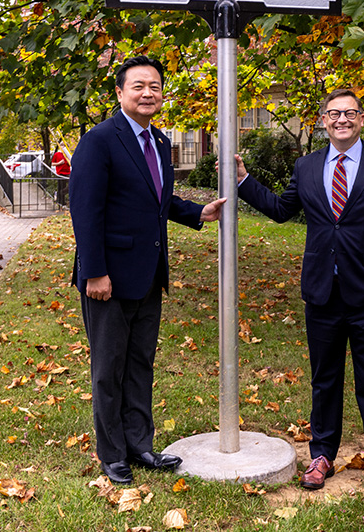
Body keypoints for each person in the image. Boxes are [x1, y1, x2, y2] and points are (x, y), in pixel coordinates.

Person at [235, 88, 364, 491]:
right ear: (324, 121)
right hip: (322, 293)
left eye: (350, 113)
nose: (342, 120)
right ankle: (321, 456)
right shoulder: (308, 166)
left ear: (362, 119)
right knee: (324, 379)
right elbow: (281, 210)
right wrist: (244, 180)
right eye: (334, 114)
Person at [70, 55, 225, 485]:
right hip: (109, 279)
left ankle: (139, 444)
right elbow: (85, 211)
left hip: (149, 274)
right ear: (120, 92)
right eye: (138, 86)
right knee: (109, 368)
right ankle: (113, 453)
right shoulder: (100, 141)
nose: (148, 93)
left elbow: (158, 200)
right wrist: (94, 272)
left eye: (155, 86)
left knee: (140, 363)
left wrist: (199, 212)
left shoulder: (159, 142)